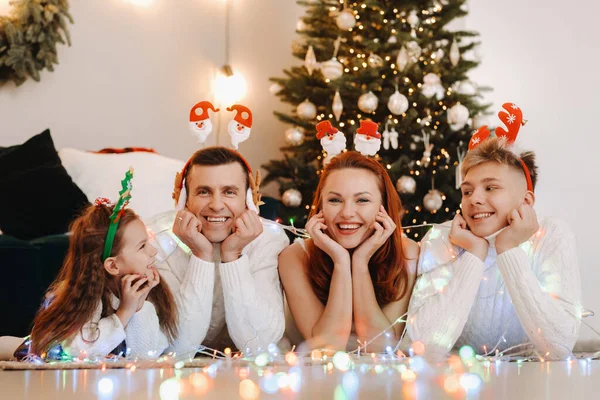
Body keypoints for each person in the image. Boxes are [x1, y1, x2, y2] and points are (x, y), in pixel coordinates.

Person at [408, 109, 581, 360]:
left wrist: (508, 249)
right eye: (467, 192)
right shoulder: (441, 238)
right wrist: (475, 255)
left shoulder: (552, 235)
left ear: (526, 201)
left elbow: (558, 346)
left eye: (490, 187)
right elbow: (425, 347)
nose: (474, 199)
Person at [279, 151, 419, 351]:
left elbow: (380, 346)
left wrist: (360, 262)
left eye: (362, 200)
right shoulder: (295, 257)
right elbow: (327, 347)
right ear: (320, 207)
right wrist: (341, 261)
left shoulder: (407, 253)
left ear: (383, 207)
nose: (347, 213)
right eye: (335, 200)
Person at [156, 146, 289, 355]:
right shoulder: (157, 241)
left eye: (229, 192)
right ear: (184, 200)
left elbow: (259, 344)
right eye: (203, 191)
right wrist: (201, 256)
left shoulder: (269, 239)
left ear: (248, 200)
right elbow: (177, 348)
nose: (217, 205)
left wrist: (232, 256)